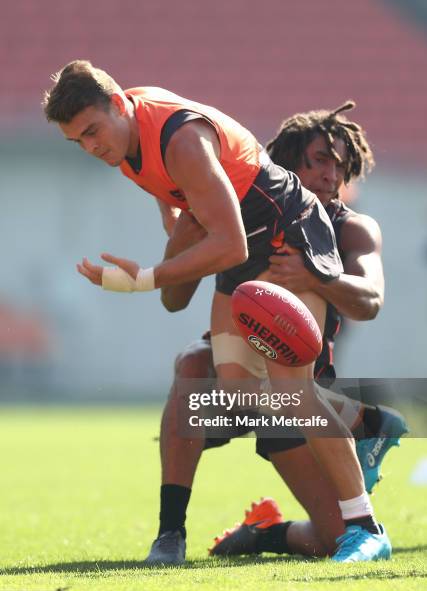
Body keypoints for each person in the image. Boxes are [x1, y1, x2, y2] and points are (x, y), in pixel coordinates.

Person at [44, 61, 390, 564]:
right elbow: (186, 219)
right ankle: (356, 422)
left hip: (284, 236)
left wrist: (143, 278)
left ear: (119, 104)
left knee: (292, 392)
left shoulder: (180, 139)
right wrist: (172, 257)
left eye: (94, 131)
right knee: (236, 393)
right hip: (241, 250)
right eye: (78, 141)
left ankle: (366, 526)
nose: (92, 147)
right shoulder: (125, 144)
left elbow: (223, 243)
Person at [147, 103, 408, 564]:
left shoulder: (352, 229)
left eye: (340, 164)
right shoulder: (241, 211)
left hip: (293, 399)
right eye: (320, 160)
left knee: (329, 541)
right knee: (193, 363)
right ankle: (170, 534)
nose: (333, 174)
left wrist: (315, 278)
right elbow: (173, 301)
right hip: (241, 381)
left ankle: (265, 532)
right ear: (286, 164)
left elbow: (370, 300)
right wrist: (184, 238)